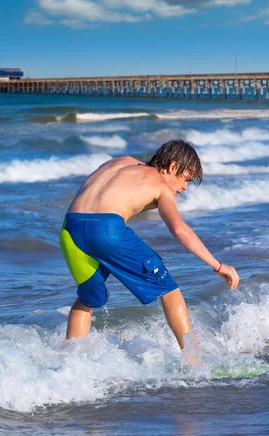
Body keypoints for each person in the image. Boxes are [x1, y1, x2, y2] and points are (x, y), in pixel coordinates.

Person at [60, 140, 239, 352]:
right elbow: (180, 230)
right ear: (173, 167)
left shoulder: (120, 162)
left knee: (87, 299)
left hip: (69, 231)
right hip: (108, 231)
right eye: (186, 179)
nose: (184, 188)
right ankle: (194, 359)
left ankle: (70, 362)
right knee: (169, 290)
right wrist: (218, 265)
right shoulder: (161, 186)